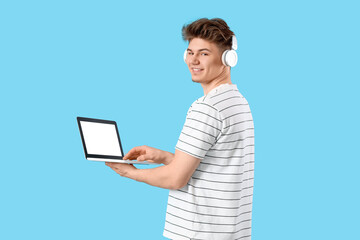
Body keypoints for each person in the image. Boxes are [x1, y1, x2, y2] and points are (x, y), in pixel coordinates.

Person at [106, 18, 255, 240]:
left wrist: (130, 173)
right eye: (190, 52)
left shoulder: (207, 109)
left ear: (227, 58)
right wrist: (164, 157)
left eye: (204, 53)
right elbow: (216, 166)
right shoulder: (237, 101)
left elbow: (176, 179)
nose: (193, 60)